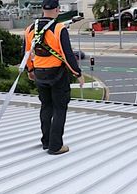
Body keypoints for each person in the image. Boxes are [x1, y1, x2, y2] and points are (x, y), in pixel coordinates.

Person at [23, 0, 84, 155]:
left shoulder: (29, 29)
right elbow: (67, 54)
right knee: (59, 108)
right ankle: (55, 146)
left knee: (46, 107)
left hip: (39, 74)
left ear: (43, 9)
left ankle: (46, 141)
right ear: (57, 10)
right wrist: (77, 73)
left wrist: (30, 70)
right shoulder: (59, 28)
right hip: (57, 74)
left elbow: (27, 53)